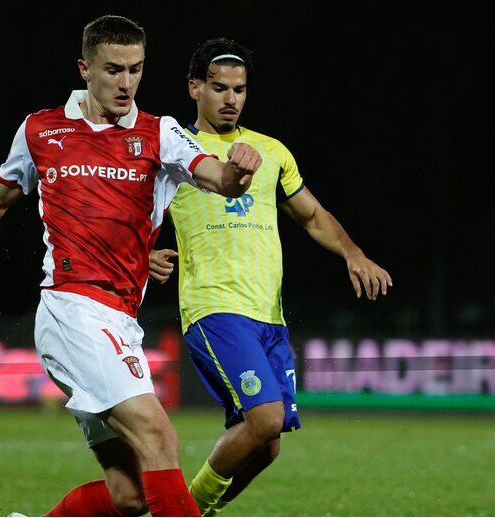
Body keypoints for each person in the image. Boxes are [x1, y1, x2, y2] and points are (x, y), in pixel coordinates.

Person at [0, 17, 263, 516]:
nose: (126, 83)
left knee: (133, 494)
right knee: (160, 436)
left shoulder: (159, 133)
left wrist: (240, 171)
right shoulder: (41, 130)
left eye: (136, 70)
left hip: (120, 318)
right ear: (85, 68)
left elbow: (221, 179)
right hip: (72, 310)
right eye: (113, 70)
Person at [148, 38, 392, 515]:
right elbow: (133, 212)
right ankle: (179, 514)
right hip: (214, 307)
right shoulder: (174, 148)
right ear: (194, 88)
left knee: (268, 442)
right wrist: (143, 255)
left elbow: (312, 216)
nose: (230, 98)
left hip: (269, 316)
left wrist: (353, 254)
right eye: (218, 88)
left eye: (239, 89)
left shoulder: (271, 152)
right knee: (265, 419)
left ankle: (195, 511)